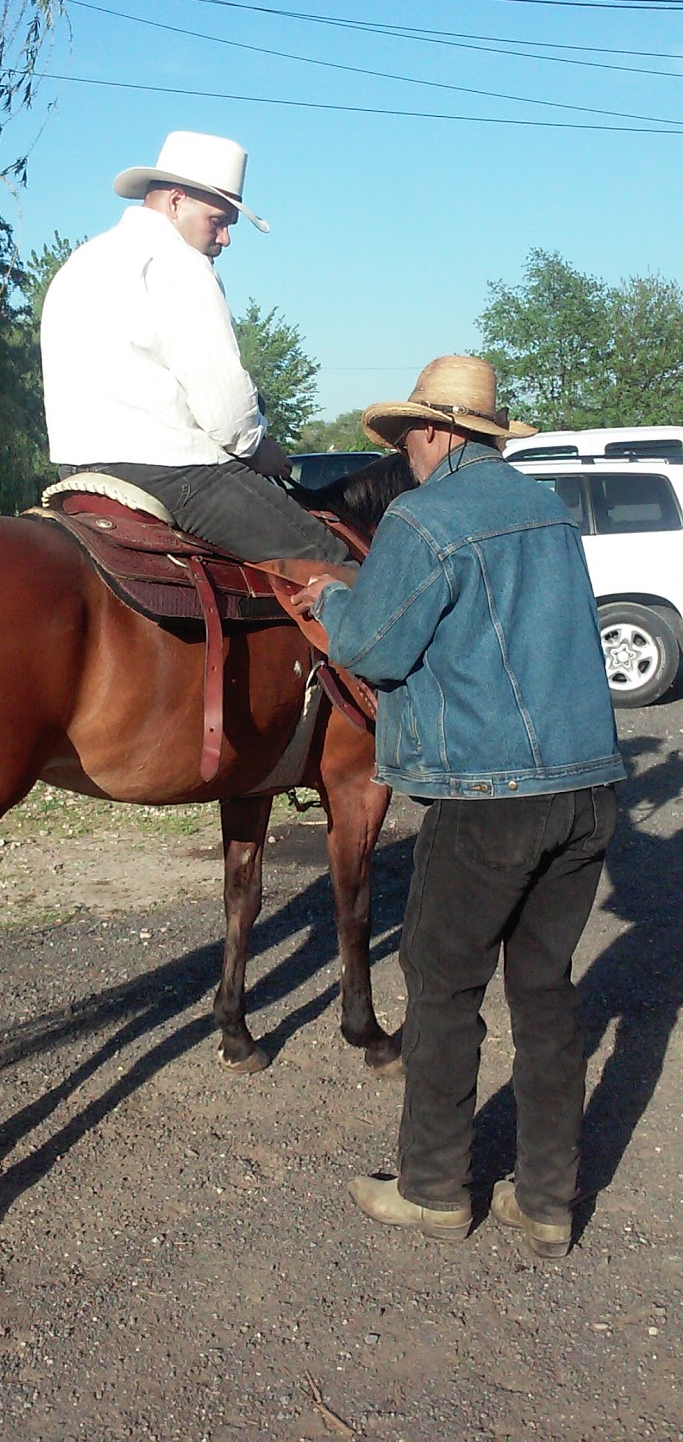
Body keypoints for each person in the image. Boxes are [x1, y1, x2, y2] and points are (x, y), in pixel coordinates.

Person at [290, 355, 625, 1258]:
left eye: (408, 440)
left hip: (488, 802)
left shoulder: (423, 518)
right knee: (547, 995)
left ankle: (437, 1190)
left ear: (439, 431)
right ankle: (549, 1200)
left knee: (443, 990)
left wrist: (329, 595)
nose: (404, 457)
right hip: (588, 789)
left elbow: (376, 648)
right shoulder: (550, 509)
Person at [40, 130, 355, 568]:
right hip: (175, 474)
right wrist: (260, 448)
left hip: (76, 474)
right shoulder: (180, 264)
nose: (225, 239)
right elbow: (226, 413)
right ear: (175, 202)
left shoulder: (81, 262)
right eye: (218, 221)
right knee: (341, 570)